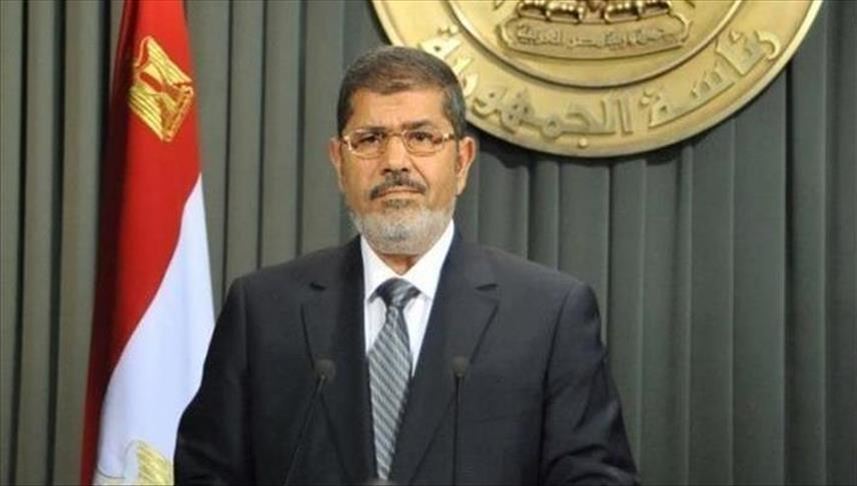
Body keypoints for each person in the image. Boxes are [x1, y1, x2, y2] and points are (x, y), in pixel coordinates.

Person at [175, 45, 638, 485]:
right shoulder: (263, 311)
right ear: (338, 162)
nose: (395, 161)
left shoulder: (549, 314)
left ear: (462, 161)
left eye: (421, 137)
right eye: (370, 139)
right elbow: (206, 474)